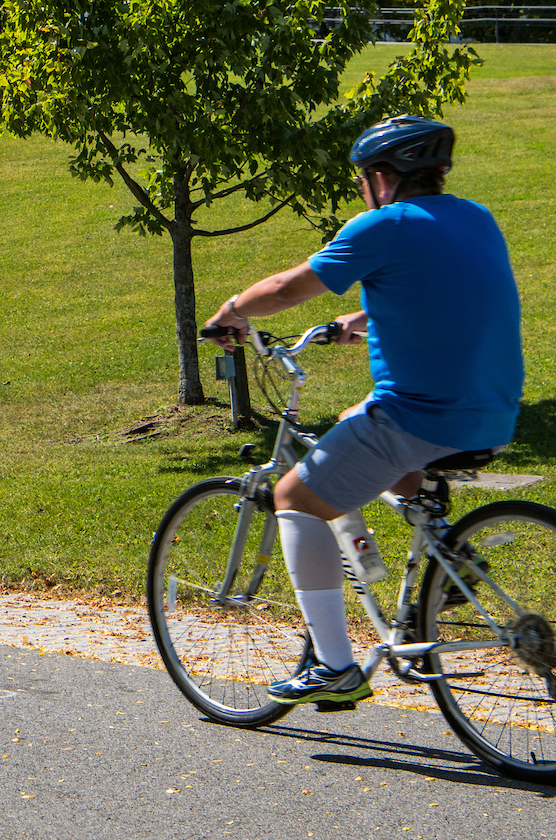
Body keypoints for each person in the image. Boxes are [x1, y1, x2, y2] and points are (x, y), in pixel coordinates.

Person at [201, 115, 523, 708]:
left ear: (381, 176)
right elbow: (449, 294)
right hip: (492, 411)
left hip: (418, 416)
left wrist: (232, 313)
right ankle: (449, 549)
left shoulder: (382, 225)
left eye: (362, 179)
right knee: (361, 419)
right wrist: (364, 319)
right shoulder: (476, 218)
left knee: (294, 496)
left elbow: (289, 286)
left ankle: (334, 667)